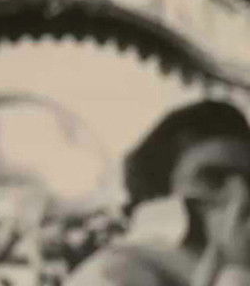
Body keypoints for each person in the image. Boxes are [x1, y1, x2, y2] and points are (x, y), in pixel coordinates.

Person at [67, 101, 250, 286]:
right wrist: (237, 268)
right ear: (161, 189)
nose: (242, 196)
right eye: (214, 178)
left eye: (248, 181)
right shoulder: (112, 273)